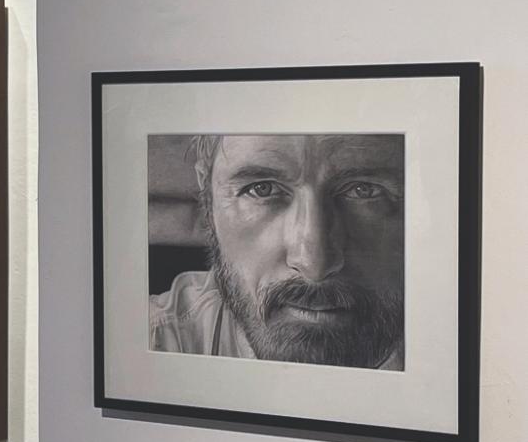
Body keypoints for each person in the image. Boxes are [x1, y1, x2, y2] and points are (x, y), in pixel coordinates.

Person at [150, 134, 405, 370]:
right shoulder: (149, 346)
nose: (313, 265)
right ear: (207, 196)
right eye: (262, 189)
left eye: (364, 190)